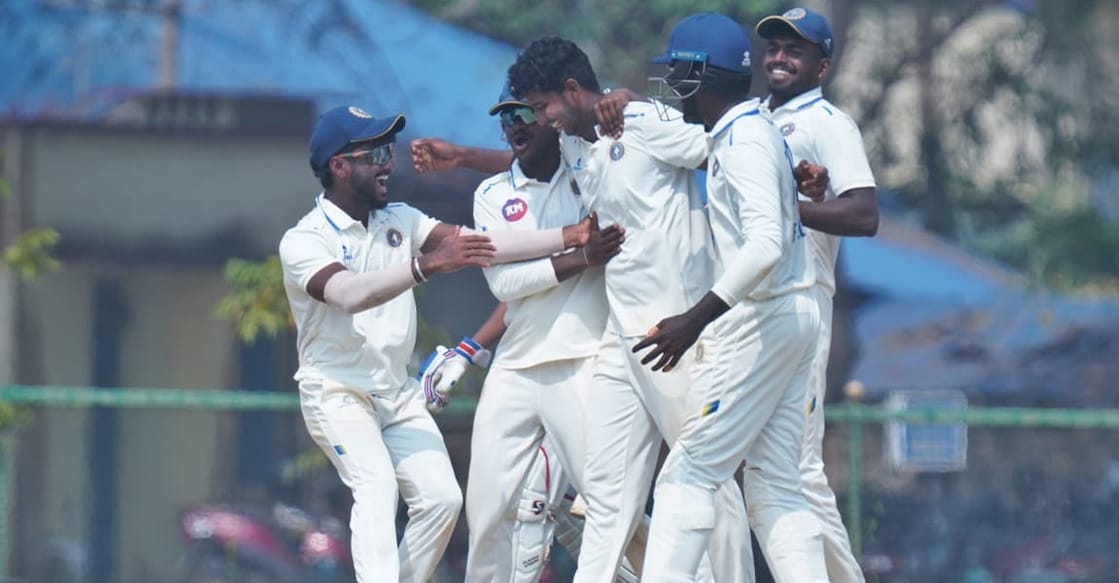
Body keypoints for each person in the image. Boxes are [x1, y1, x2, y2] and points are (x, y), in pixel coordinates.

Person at [278, 104, 596, 582]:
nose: (388, 163)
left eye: (388, 151)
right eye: (375, 153)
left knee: (442, 501)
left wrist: (569, 236)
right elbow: (347, 294)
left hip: (395, 391)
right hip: (337, 392)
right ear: (339, 166)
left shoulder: (400, 220)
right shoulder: (303, 240)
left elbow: (482, 244)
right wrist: (426, 266)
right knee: (377, 485)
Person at [507, 37, 754, 583]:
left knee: (704, 475)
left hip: (675, 333)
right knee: (605, 491)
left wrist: (635, 99)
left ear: (572, 91)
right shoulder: (576, 142)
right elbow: (518, 159)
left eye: (545, 105)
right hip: (624, 337)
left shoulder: (640, 118)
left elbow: (716, 146)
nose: (541, 119)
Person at [634, 12, 829, 582]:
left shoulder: (742, 140)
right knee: (776, 489)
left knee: (688, 473)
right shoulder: (755, 129)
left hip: (764, 319)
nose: (671, 87)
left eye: (678, 75)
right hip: (795, 314)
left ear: (701, 75)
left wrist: (695, 319)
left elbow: (765, 243)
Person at [414, 87, 637, 583]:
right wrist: (580, 252)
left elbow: (625, 145)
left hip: (581, 359)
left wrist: (626, 97)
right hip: (515, 365)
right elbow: (505, 281)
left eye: (525, 114)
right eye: (505, 117)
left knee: (604, 502)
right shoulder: (492, 194)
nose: (515, 125)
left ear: (549, 117)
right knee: (488, 503)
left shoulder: (587, 171)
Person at [755, 8, 879, 583]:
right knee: (746, 463)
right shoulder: (751, 119)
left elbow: (863, 213)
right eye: (774, 47)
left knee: (798, 469)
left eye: (794, 51)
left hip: (803, 300)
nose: (779, 58)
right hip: (751, 308)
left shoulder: (829, 122)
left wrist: (792, 207)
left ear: (822, 66)